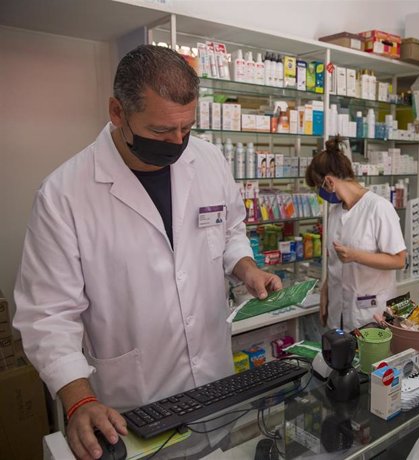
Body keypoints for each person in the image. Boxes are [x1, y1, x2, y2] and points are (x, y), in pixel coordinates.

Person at [13, 45, 281, 460]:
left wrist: (245, 267)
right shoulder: (64, 195)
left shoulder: (207, 159)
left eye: (186, 129)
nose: (177, 143)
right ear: (117, 112)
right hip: (136, 404)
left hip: (216, 388)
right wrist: (79, 399)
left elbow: (230, 230)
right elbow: (47, 314)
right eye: (160, 132)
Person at [305, 137, 406, 332]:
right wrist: (325, 291)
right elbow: (334, 262)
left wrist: (356, 256)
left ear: (329, 182)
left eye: (319, 187)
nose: (320, 193)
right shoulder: (335, 213)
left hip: (370, 312)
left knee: (370, 360)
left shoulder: (378, 207)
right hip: (338, 310)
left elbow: (399, 260)